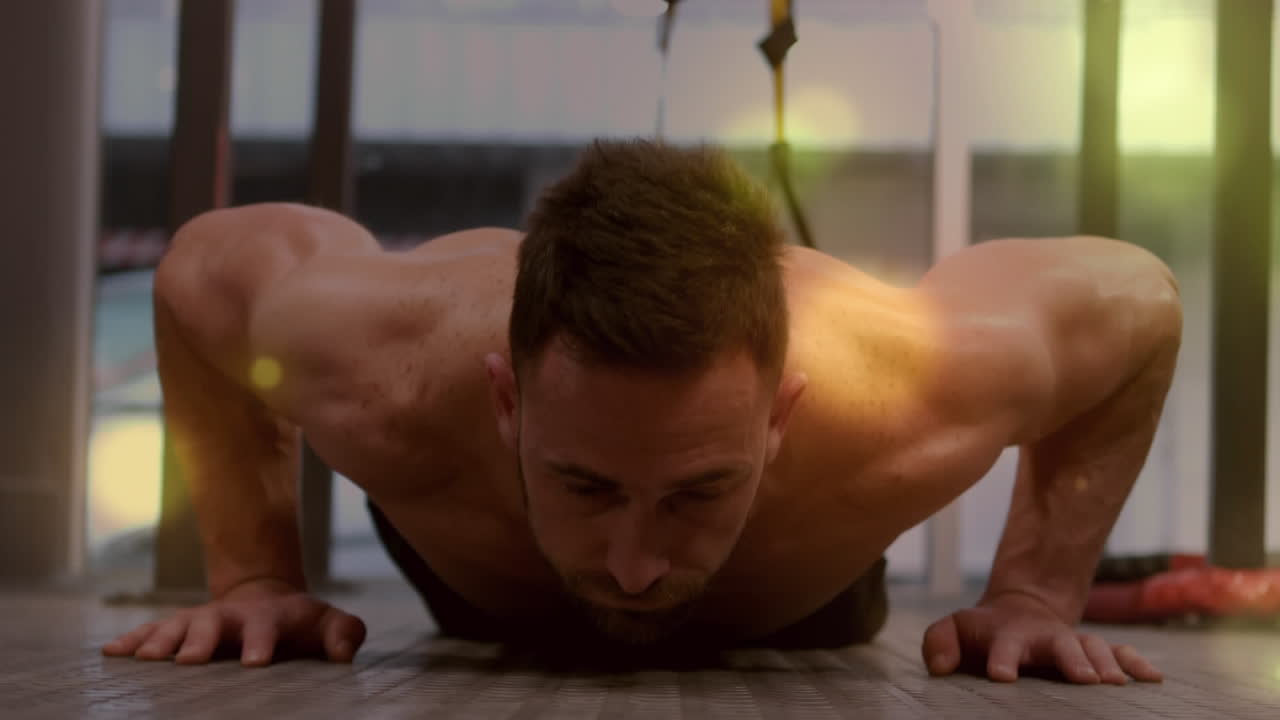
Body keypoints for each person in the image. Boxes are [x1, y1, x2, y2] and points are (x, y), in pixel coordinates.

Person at [103, 139, 1178, 684]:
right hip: (477, 565)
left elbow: (1136, 303)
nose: (632, 563)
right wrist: (256, 575)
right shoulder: (381, 361)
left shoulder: (901, 388)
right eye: (588, 483)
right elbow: (201, 273)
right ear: (504, 398)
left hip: (791, 597)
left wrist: (1035, 592)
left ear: (778, 416)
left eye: (696, 488)